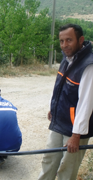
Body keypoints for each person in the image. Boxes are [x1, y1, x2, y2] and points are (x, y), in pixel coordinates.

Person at [38, 24, 93, 180]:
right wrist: (53, 108)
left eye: (69, 40)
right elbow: (60, 87)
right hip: (60, 122)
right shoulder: (67, 58)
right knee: (48, 160)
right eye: (61, 41)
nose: (64, 45)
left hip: (76, 130)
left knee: (66, 170)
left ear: (80, 40)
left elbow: (86, 104)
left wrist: (76, 136)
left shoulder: (88, 66)